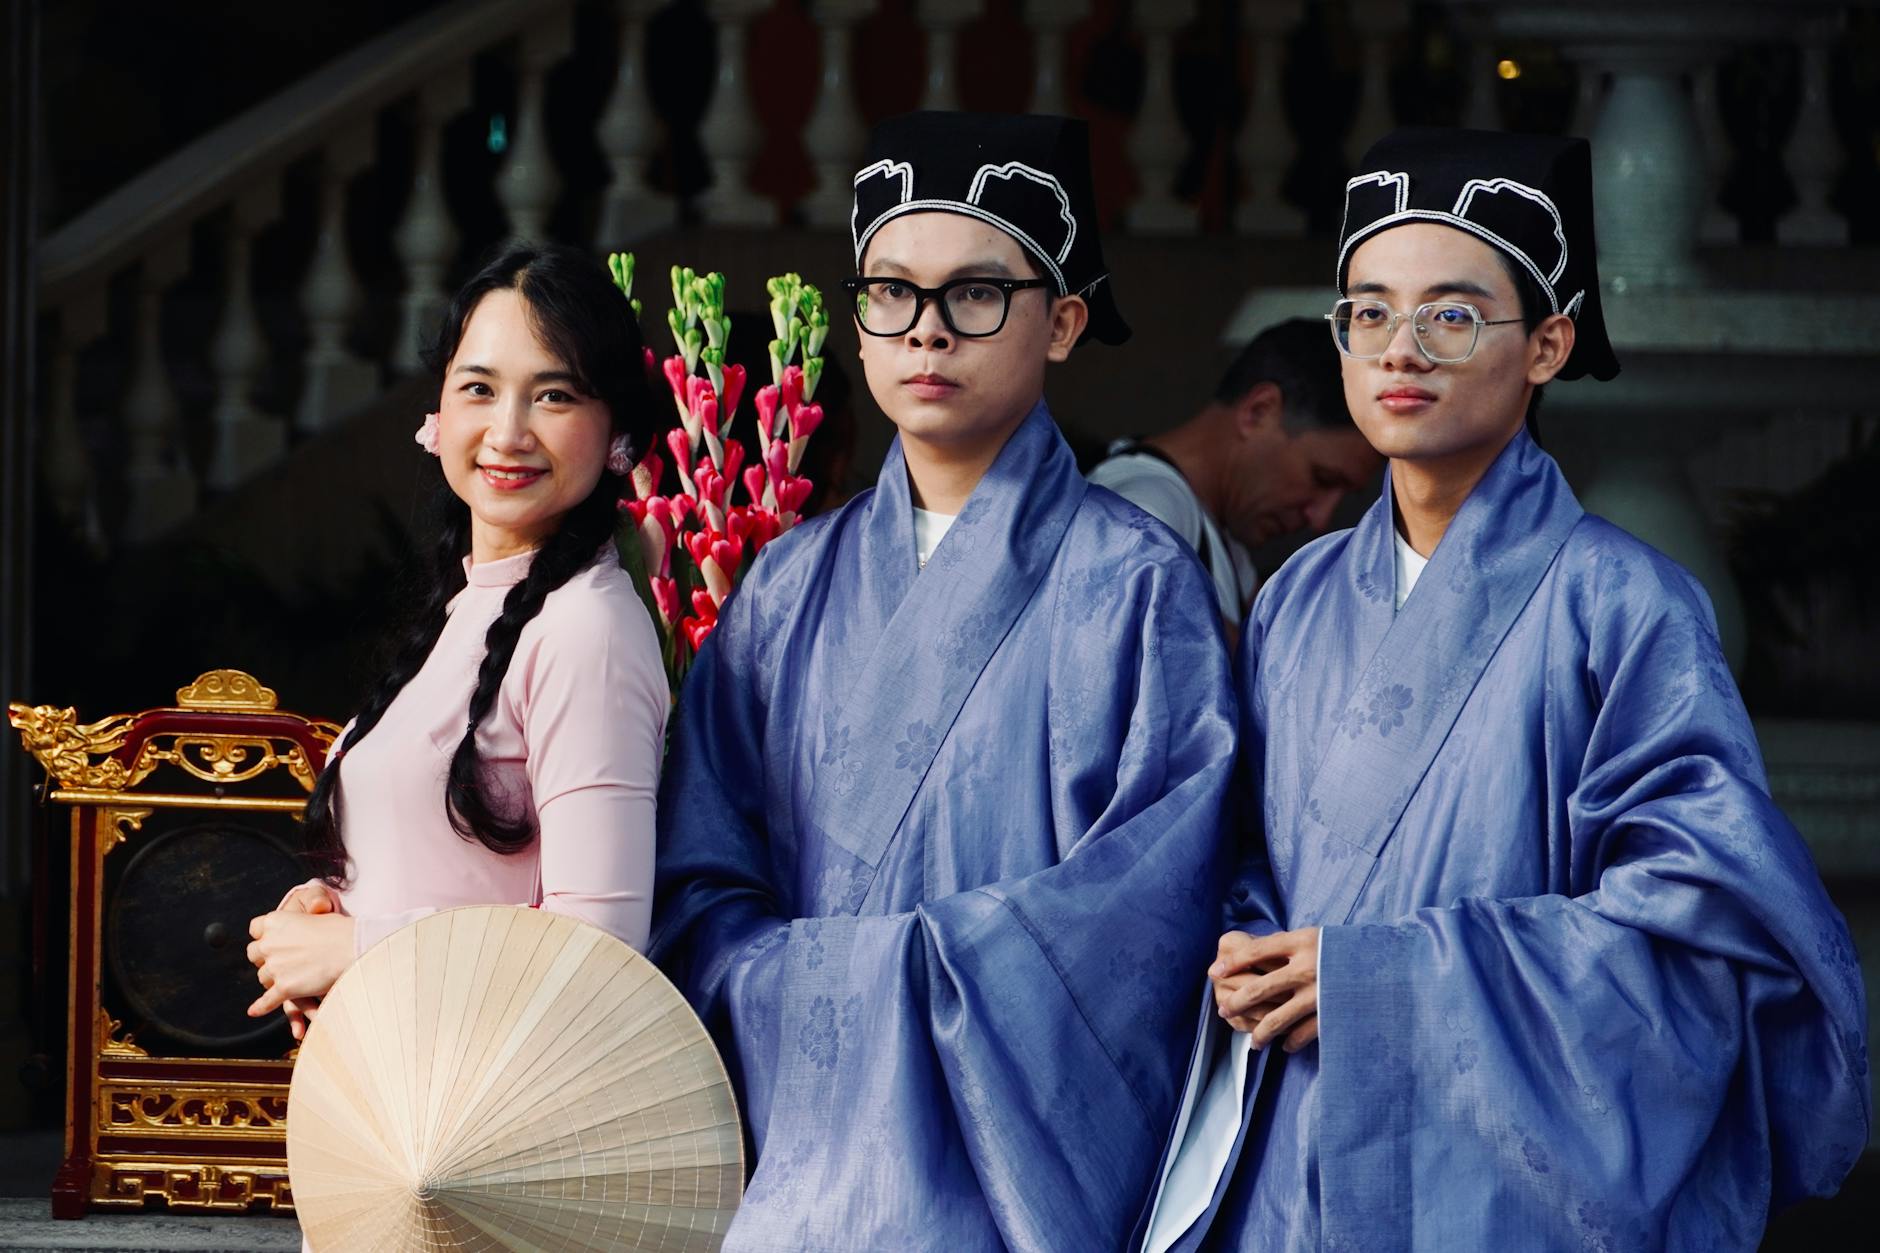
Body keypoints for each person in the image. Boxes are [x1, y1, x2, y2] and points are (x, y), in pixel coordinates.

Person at [1140, 127, 1869, 1252]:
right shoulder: (1292, 607)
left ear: (1545, 344)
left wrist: (1386, 981)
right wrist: (1254, 955)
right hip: (1299, 1168)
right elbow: (1245, 858)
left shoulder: (1624, 608)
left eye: (1450, 313)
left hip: (1488, 1193)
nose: (1399, 349)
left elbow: (1701, 939)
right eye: (1367, 311)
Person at [650, 111, 1237, 1250]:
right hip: (801, 1163)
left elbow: (1156, 909)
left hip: (1015, 1178)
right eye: (890, 292)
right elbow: (698, 874)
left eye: (975, 294)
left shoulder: (1137, 585)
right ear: (858, 321)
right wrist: (782, 981)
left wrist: (879, 973)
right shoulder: (787, 584)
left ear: (1061, 321)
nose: (927, 332)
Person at [244, 243, 668, 1038]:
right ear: (437, 415)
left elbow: (604, 952)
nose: (507, 432)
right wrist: (328, 910)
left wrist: (359, 946)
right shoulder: (468, 604)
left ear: (618, 432)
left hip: (486, 1125)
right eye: (479, 388)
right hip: (391, 1092)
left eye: (555, 395)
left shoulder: (586, 627)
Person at [1087, 319, 1379, 626]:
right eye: (1322, 479)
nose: (1319, 519)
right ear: (1259, 412)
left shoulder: (1222, 538)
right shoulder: (1145, 512)